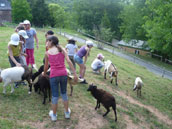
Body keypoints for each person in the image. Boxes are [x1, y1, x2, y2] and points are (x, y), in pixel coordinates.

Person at [42, 35, 78, 121]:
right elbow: (69, 61)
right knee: (64, 93)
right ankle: (67, 113)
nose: (46, 43)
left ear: (51, 42)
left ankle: (54, 115)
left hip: (54, 75)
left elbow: (46, 66)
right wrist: (75, 74)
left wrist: (44, 72)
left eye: (47, 41)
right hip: (63, 74)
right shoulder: (62, 50)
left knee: (55, 96)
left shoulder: (47, 53)